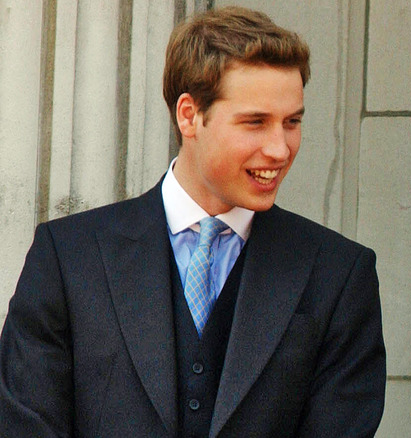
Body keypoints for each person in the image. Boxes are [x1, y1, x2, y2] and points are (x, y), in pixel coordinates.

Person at [0, 6, 385, 438]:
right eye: (255, 122)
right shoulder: (67, 257)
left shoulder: (340, 274)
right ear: (189, 115)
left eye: (291, 122)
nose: (280, 149)